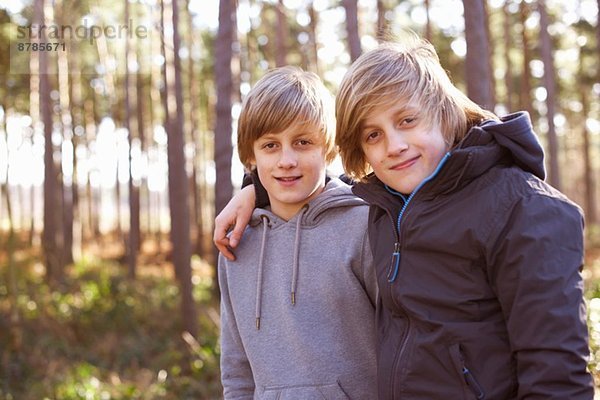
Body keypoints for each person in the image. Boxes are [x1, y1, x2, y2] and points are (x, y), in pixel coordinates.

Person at [214, 36, 594, 399]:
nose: (394, 146)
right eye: (373, 135)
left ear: (444, 112)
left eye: (407, 120)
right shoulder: (390, 209)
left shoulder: (524, 210)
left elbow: (557, 378)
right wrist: (256, 191)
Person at [217, 66, 378, 399]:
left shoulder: (363, 226)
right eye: (271, 146)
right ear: (251, 156)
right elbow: (237, 371)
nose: (286, 160)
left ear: (329, 149)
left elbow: (404, 342)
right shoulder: (237, 242)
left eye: (303, 142)